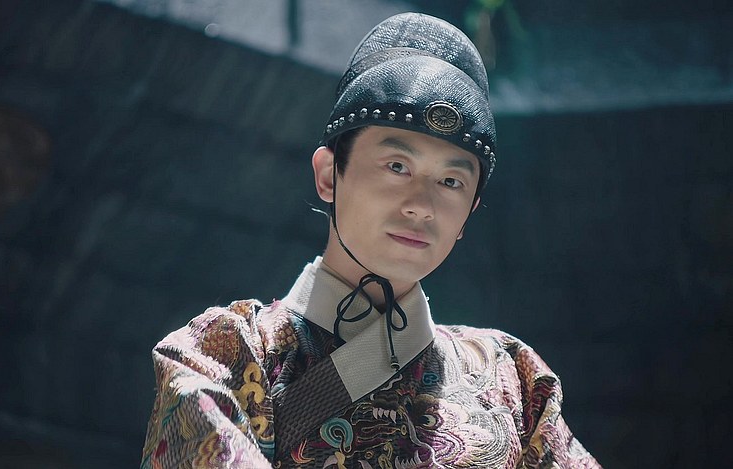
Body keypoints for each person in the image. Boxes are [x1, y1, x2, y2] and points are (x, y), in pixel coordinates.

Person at [141, 12, 601, 469]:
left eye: (451, 182)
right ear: (328, 174)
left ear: (469, 214)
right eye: (397, 166)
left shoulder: (513, 379)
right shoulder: (226, 352)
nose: (422, 205)